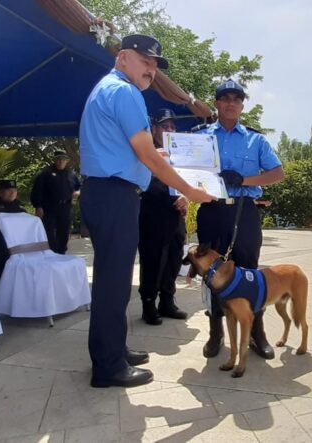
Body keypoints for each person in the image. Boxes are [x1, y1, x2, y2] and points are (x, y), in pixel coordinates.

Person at [79, 34, 214, 389]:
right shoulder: (125, 92)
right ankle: (107, 366)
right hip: (114, 195)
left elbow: (129, 149)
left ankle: (114, 350)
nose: (151, 71)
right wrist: (189, 190)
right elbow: (145, 153)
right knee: (112, 282)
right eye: (145, 62)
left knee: (116, 280)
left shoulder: (108, 88)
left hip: (107, 192)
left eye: (155, 66)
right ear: (123, 58)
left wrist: (159, 158)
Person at [196, 79, 285, 360]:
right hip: (212, 209)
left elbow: (277, 174)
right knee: (211, 272)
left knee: (249, 273)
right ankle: (215, 333)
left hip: (244, 211)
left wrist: (244, 179)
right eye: (225, 98)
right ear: (217, 103)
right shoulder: (200, 136)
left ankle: (257, 334)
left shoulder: (255, 139)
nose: (231, 102)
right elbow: (184, 169)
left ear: (243, 105)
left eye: (237, 98)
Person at [138, 108, 188, 325]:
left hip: (175, 214)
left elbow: (190, 182)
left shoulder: (180, 154)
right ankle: (148, 304)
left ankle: (167, 301)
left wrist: (186, 196)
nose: (169, 130)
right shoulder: (145, 152)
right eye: (164, 126)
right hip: (152, 213)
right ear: (154, 129)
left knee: (174, 259)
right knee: (153, 260)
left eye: (172, 127)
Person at [30, 150, 80, 254]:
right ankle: (50, 253)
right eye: (58, 159)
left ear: (67, 161)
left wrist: (78, 192)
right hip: (49, 207)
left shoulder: (71, 174)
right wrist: (38, 206)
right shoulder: (45, 174)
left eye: (63, 160)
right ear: (54, 160)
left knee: (64, 232)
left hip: (65, 207)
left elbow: (79, 187)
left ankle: (61, 253)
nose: (60, 162)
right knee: (49, 232)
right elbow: (37, 191)